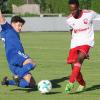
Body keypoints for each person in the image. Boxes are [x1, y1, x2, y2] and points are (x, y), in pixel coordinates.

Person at [65, 0, 99, 93]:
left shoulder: (89, 14)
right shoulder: (69, 19)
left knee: (79, 60)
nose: (73, 13)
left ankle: (70, 83)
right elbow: (71, 30)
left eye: (74, 10)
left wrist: (84, 52)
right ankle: (82, 83)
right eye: (71, 10)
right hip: (75, 43)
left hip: (87, 42)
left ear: (78, 7)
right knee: (73, 66)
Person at [0, 10, 36, 89]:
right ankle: (18, 76)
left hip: (11, 62)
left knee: (32, 84)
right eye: (19, 25)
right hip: (15, 55)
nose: (20, 28)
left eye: (21, 26)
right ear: (12, 24)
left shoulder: (7, 32)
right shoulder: (8, 29)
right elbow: (1, 18)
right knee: (32, 63)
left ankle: (7, 82)